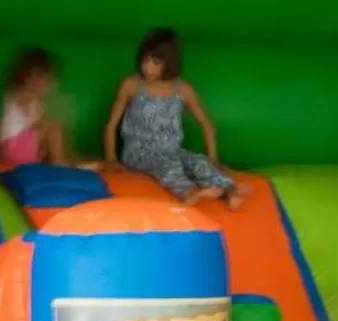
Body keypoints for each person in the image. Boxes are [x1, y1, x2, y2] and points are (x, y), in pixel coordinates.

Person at [103, 27, 247, 209]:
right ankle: (189, 192)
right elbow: (111, 125)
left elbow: (206, 125)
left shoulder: (183, 90)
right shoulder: (131, 85)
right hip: (138, 152)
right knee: (167, 165)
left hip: (172, 150)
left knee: (197, 162)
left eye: (155, 62)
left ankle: (229, 191)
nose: (146, 67)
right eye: (144, 60)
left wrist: (213, 159)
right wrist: (111, 159)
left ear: (169, 63)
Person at [0, 46, 72, 166]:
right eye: (48, 80)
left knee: (56, 131)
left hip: (16, 150)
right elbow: (39, 123)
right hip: (11, 150)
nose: (50, 84)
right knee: (52, 127)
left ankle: (66, 161)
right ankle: (60, 164)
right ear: (34, 77)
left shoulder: (33, 101)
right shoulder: (21, 93)